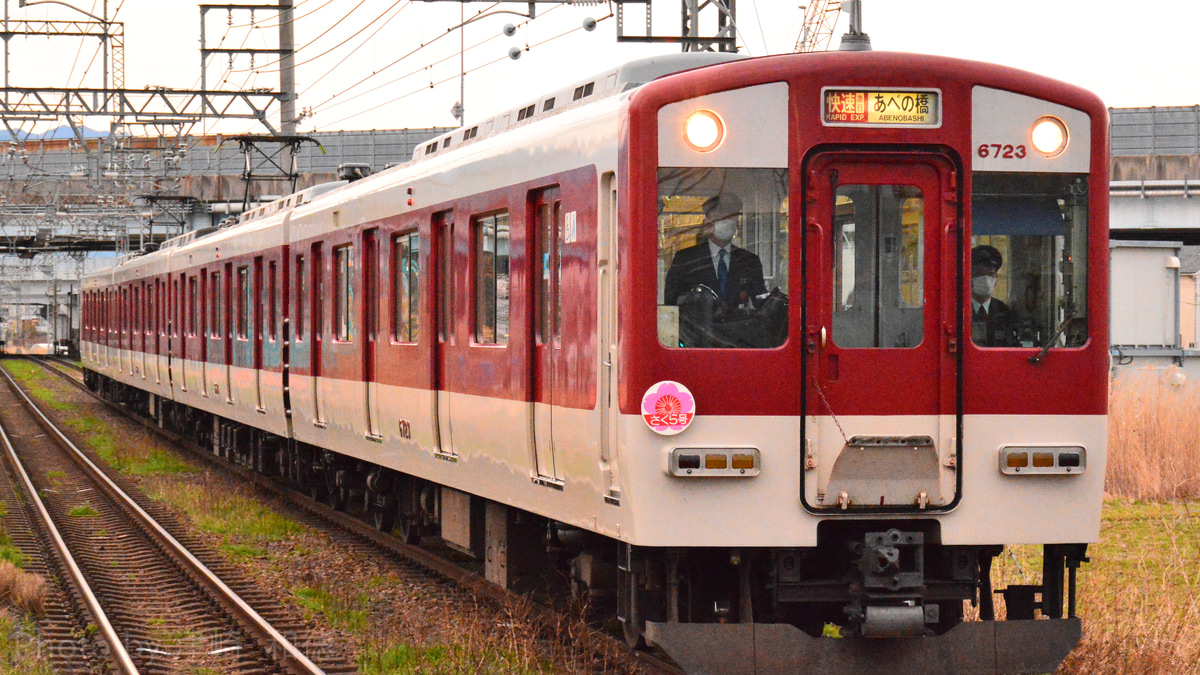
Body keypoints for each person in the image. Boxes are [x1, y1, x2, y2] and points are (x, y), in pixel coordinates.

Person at [663, 193, 767, 310]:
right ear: (707, 222)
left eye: (731, 216)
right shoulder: (685, 259)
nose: (727, 222)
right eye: (720, 216)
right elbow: (671, 304)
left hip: (736, 326)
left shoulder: (749, 260)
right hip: (697, 327)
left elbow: (761, 303)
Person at [971, 244, 1018, 347]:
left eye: (990, 274)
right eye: (979, 274)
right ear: (969, 277)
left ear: (996, 279)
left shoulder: (1004, 311)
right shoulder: (959, 310)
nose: (986, 279)